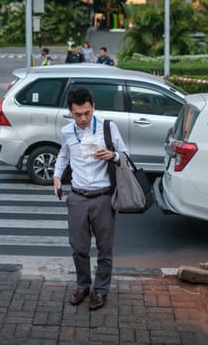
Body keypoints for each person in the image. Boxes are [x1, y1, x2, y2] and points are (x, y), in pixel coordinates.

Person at [53, 88, 128, 310]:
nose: (83, 118)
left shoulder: (107, 127)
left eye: (87, 112)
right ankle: (83, 285)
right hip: (77, 197)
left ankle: (101, 290)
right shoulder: (67, 132)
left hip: (104, 197)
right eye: (78, 114)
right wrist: (57, 177)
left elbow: (125, 155)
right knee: (78, 247)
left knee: (105, 249)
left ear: (93, 106)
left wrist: (112, 155)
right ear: (70, 112)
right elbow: (63, 155)